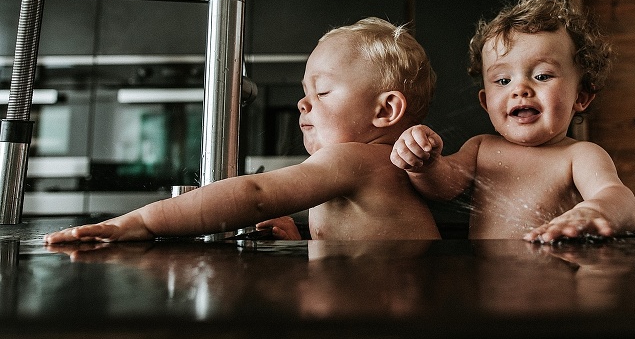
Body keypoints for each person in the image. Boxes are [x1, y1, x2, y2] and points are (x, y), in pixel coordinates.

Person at [45, 17, 441, 243]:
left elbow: (256, 195)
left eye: (322, 91)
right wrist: (303, 243)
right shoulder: (376, 167)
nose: (303, 104)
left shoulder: (356, 158)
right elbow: (364, 256)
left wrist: (140, 222)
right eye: (305, 92)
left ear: (385, 110)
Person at [390, 0, 635, 242]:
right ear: (486, 102)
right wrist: (425, 164)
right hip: (488, 283)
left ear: (581, 97)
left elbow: (620, 199)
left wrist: (594, 211)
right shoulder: (481, 149)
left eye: (542, 76)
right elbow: (442, 188)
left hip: (556, 281)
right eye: (503, 81)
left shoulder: (580, 156)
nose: (520, 89)